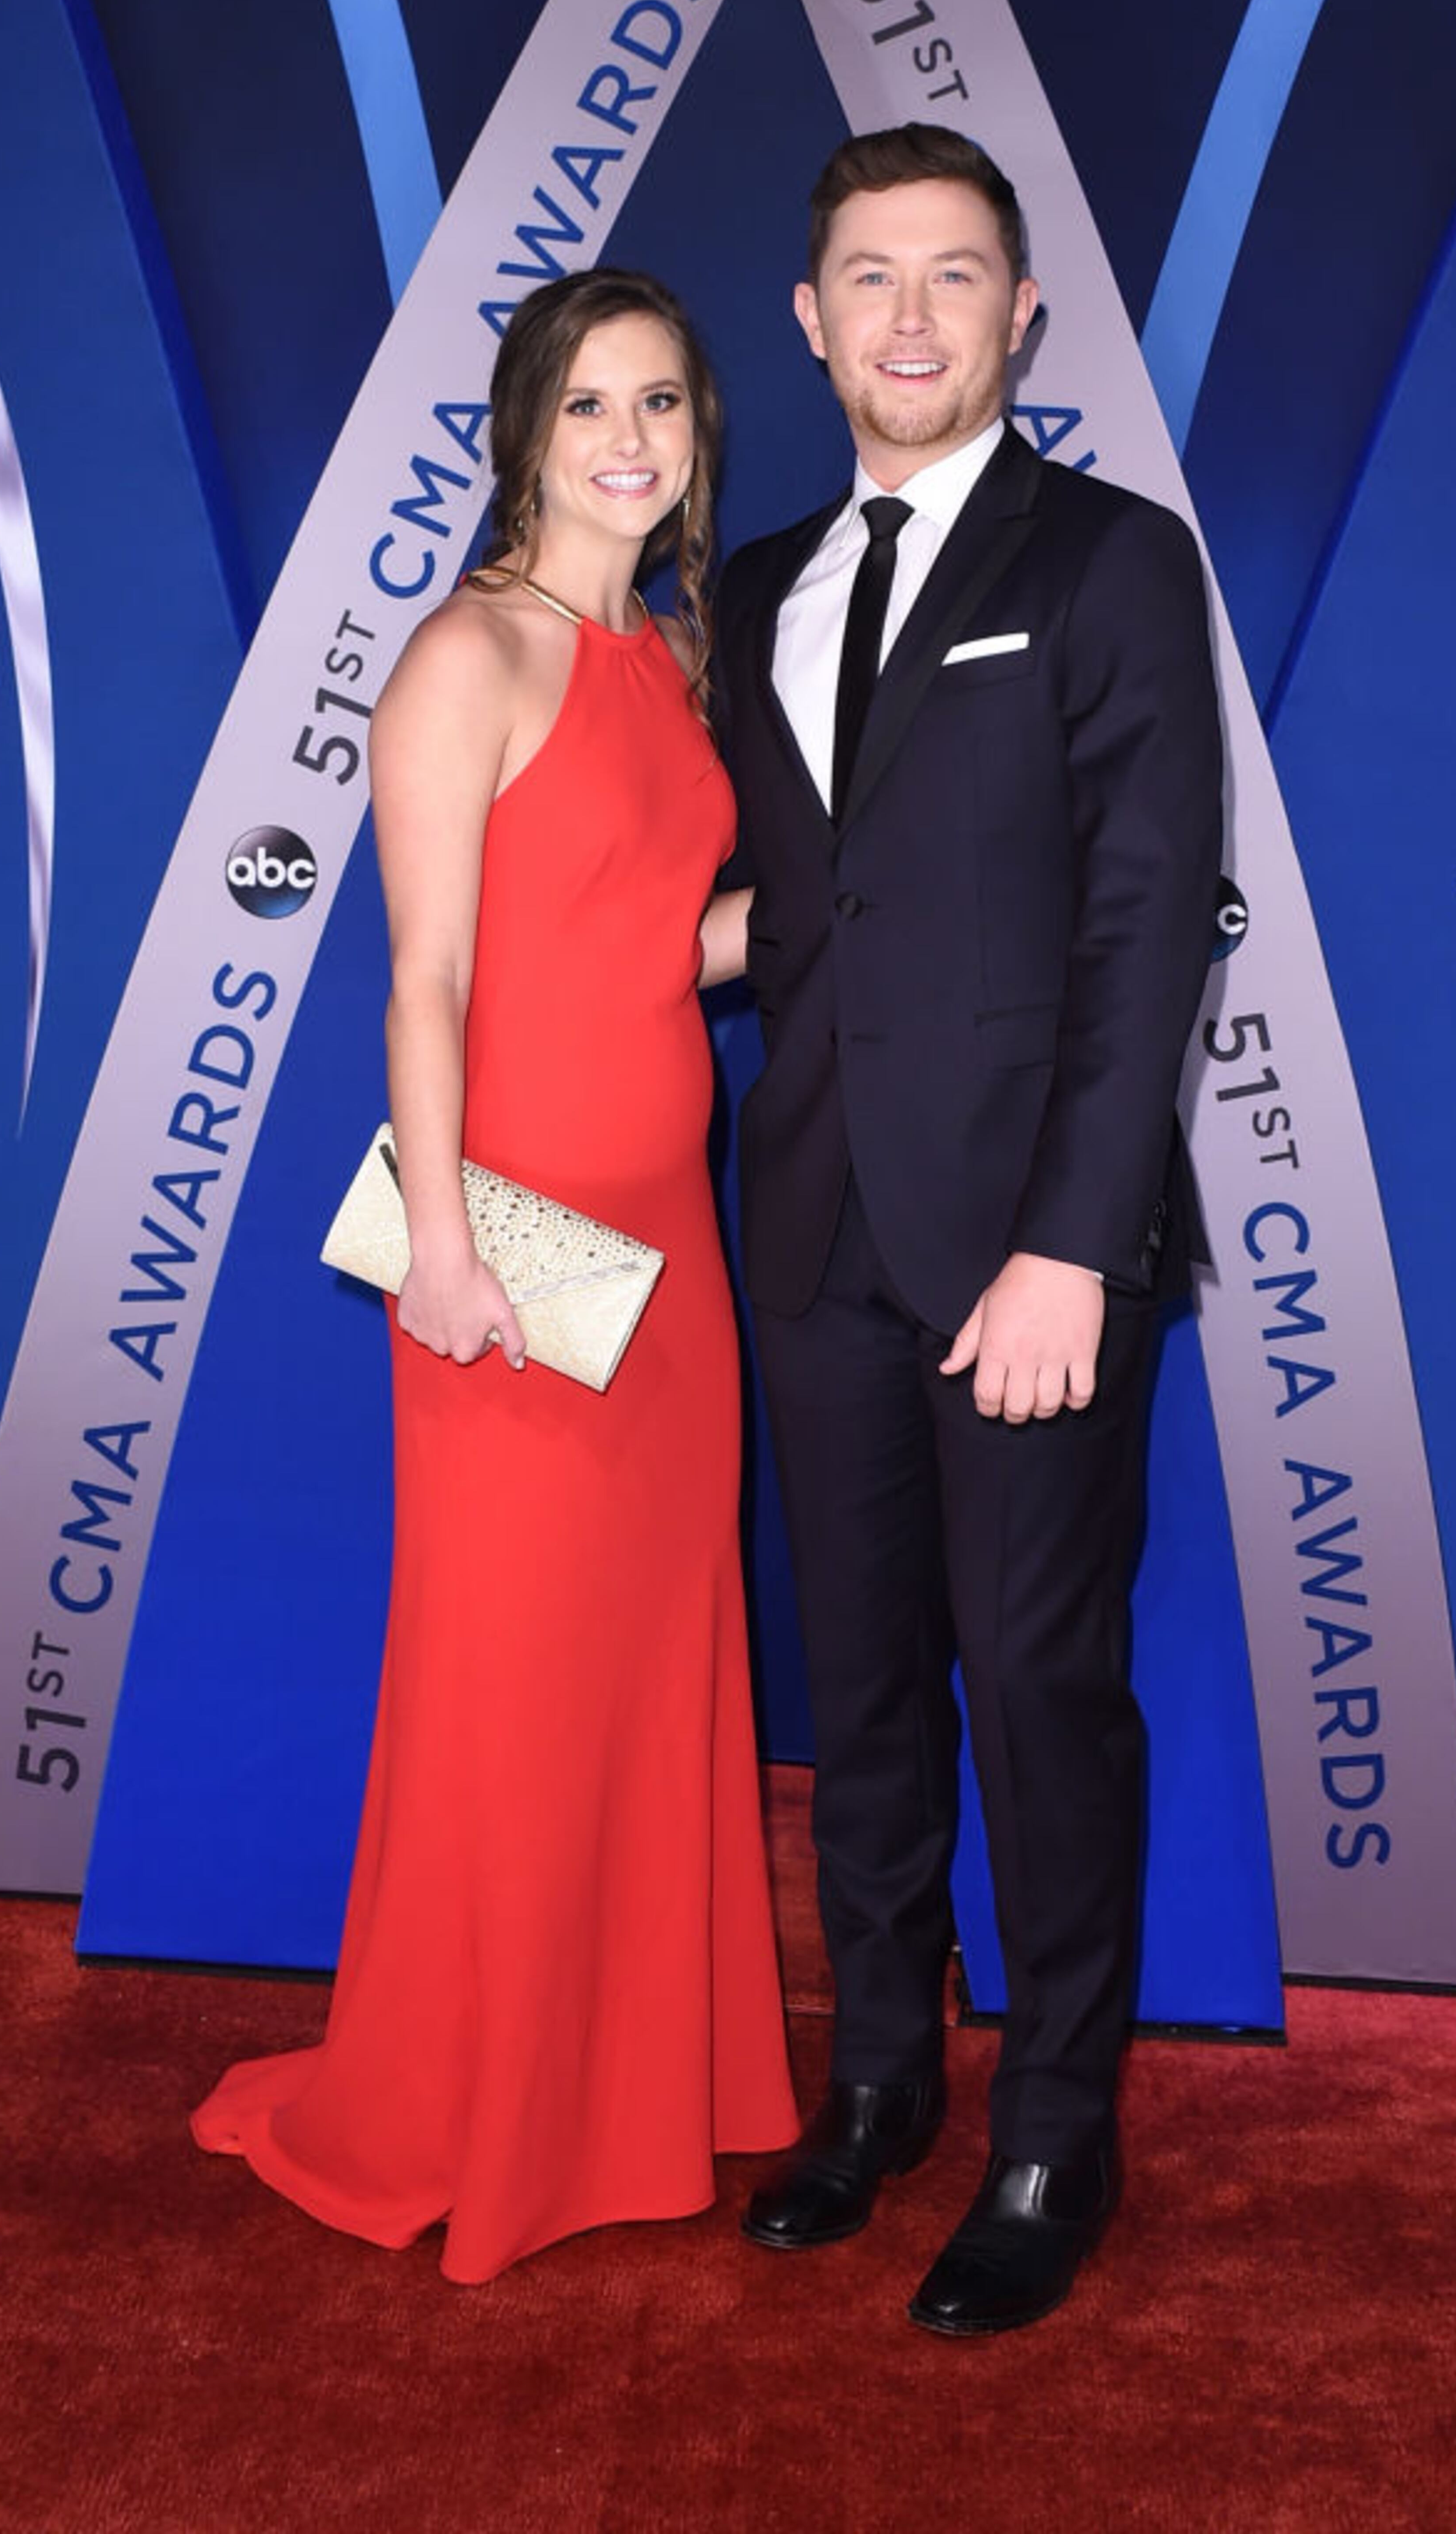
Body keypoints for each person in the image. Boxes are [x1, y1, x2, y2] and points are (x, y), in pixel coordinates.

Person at [192, 269, 797, 2282]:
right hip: (514, 1264)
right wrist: (445, 1245)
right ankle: (490, 2116)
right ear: (525, 433)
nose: (631, 443)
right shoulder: (472, 656)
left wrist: (842, 909)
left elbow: (643, 948)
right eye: (590, 407)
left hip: (669, 1271)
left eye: (665, 408)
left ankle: (635, 2101)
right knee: (516, 1696)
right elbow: (428, 979)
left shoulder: (667, 653)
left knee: (647, 1684)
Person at [715, 127, 1223, 2335]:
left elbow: (1142, 931)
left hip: (1028, 1249)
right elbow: (788, 906)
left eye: (955, 275)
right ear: (811, 319)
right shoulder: (744, 587)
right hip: (812, 1227)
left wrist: (1073, 1250)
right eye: (867, 276)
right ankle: (887, 2085)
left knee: (1038, 1690)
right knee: (867, 1699)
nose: (910, 314)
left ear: (1023, 316)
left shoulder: (1113, 561)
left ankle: (1057, 2128)